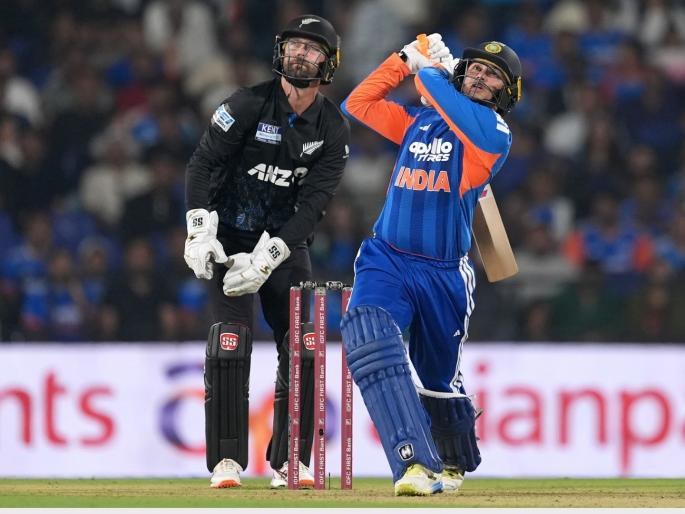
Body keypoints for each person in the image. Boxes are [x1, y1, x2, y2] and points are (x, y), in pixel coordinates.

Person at [340, 36, 522, 495]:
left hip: (444, 272)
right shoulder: (419, 120)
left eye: (492, 75)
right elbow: (357, 103)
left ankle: (454, 456)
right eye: (475, 68)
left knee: (438, 378)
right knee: (368, 335)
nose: (480, 76)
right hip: (388, 257)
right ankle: (414, 464)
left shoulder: (494, 134)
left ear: (506, 93)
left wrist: (430, 71)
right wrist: (402, 60)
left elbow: (443, 95)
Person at [183, 14, 350, 488]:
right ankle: (227, 461)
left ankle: (290, 461)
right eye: (294, 45)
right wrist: (199, 231)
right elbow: (201, 164)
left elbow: (314, 205)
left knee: (304, 346)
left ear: (328, 63)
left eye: (312, 49)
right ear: (280, 51)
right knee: (229, 343)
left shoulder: (333, 128)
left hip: (284, 244)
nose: (300, 54)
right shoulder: (247, 103)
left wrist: (270, 255)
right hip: (228, 239)